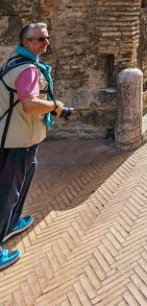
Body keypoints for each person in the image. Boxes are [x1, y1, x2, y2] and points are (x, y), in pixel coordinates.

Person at [0, 22, 71, 272]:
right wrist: (55, 106)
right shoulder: (28, 70)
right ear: (26, 42)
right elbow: (30, 104)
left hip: (18, 138)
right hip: (17, 142)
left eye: (47, 38)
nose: (46, 42)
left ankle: (10, 225)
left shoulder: (15, 61)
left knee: (17, 187)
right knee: (7, 193)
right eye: (40, 39)